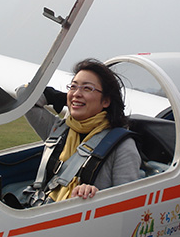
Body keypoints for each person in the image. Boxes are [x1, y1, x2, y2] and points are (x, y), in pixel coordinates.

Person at [21, 58, 141, 204]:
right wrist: (64, 98)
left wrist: (96, 195)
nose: (77, 93)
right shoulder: (57, 129)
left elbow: (128, 203)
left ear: (106, 101)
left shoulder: (122, 146)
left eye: (87, 88)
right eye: (73, 87)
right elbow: (23, 94)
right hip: (42, 208)